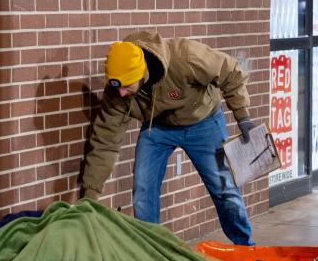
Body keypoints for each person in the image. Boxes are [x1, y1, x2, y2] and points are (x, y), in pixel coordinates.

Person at [80, 32, 256, 245]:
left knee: (224, 188)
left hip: (203, 122)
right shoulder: (117, 93)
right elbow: (105, 142)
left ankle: (245, 248)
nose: (122, 94)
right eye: (118, 87)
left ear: (142, 73)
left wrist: (242, 116)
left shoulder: (186, 57)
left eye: (127, 86)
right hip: (158, 128)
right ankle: (152, 252)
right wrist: (89, 197)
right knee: (143, 190)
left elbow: (231, 72)